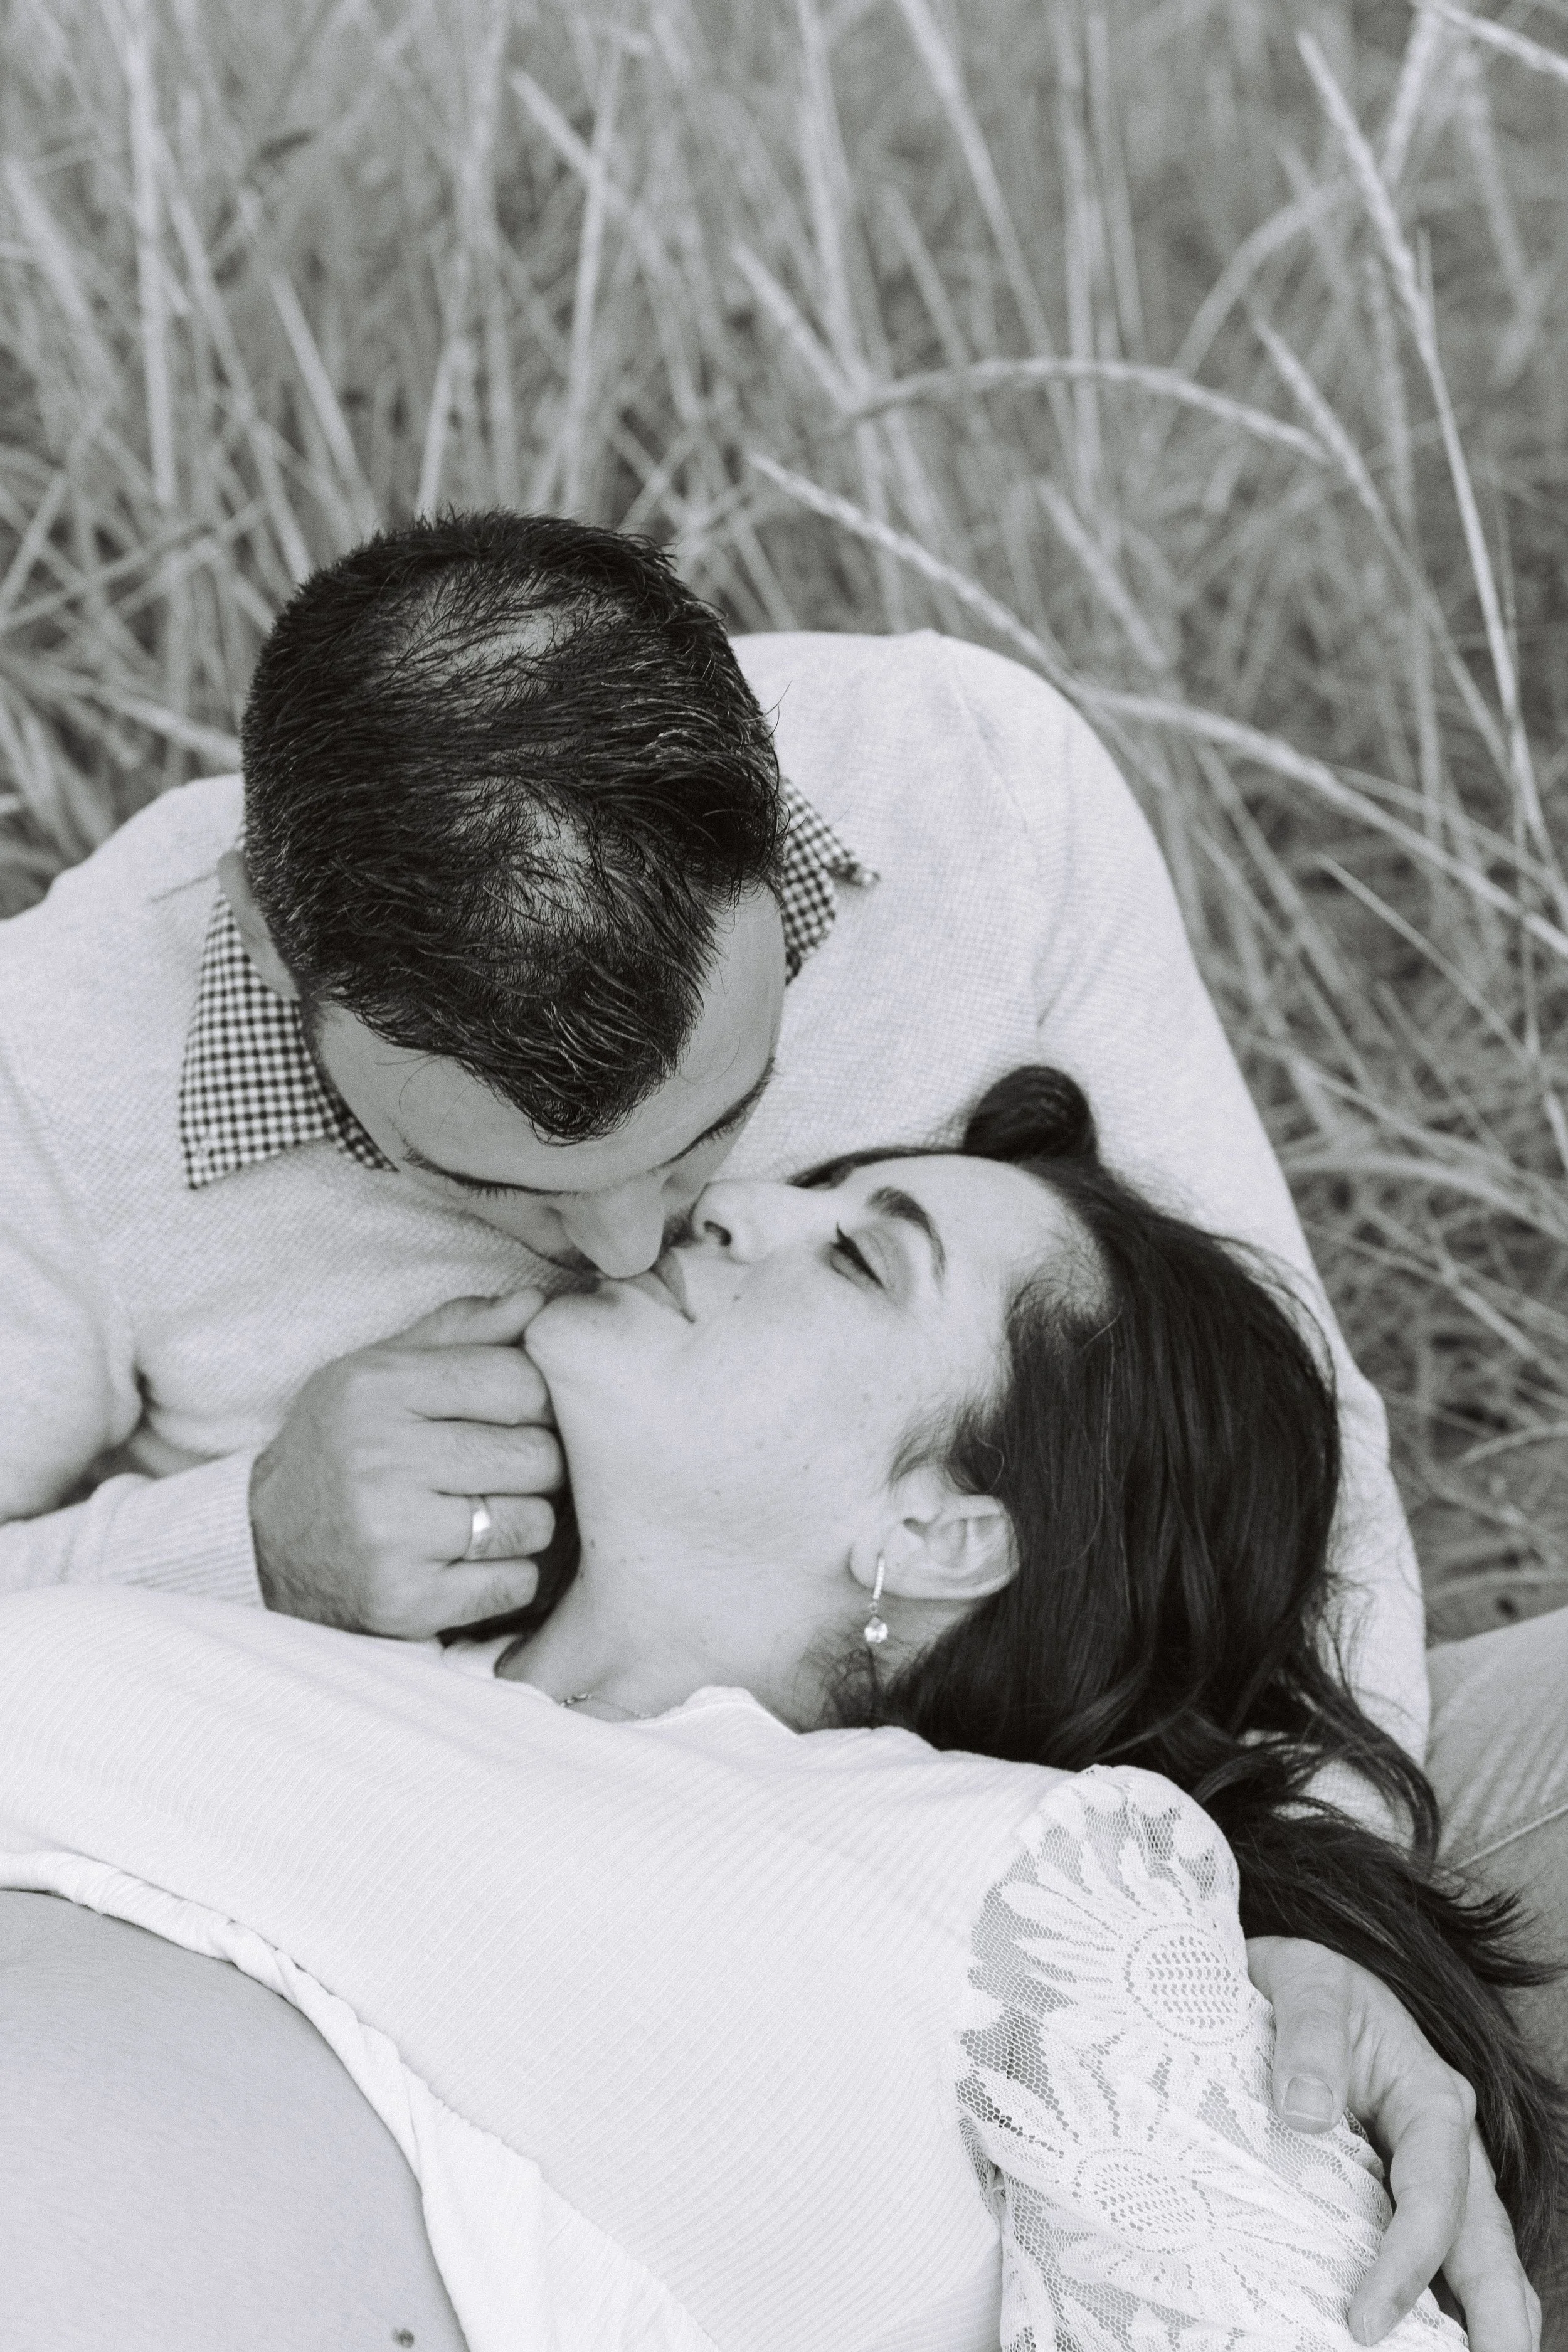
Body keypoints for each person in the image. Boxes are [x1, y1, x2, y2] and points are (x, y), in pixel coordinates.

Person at [0, 511, 1547, 2338]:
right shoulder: (49, 1072)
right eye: (474, 1182)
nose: (635, 1243)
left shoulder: (979, 798)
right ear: (274, 951)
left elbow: (1277, 1476)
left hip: (1083, 1785)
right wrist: (247, 1543)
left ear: (774, 848)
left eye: (728, 1132)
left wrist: (1288, 1942)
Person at [0, 1068, 1557, 2352]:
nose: (732, 1206)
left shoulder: (1026, 1872)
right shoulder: (236, 1648)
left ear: (940, 1533)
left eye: (860, 1255)